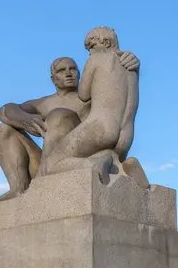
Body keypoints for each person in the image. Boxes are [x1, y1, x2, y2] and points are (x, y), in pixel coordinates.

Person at [0, 52, 138, 204]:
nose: (68, 73)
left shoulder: (91, 98)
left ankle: (58, 174)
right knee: (2, 131)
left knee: (59, 116)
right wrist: (25, 119)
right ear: (53, 79)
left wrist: (129, 66)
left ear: (80, 73)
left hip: (77, 159)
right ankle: (18, 188)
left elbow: (119, 106)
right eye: (62, 70)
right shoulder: (45, 103)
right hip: (43, 168)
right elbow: (6, 110)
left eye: (73, 69)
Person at [37, 27, 139, 177]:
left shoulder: (95, 59)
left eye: (91, 47)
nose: (89, 52)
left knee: (50, 165)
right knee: (104, 153)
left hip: (101, 127)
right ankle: (124, 168)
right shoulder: (131, 69)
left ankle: (93, 163)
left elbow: (84, 94)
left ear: (104, 42)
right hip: (126, 136)